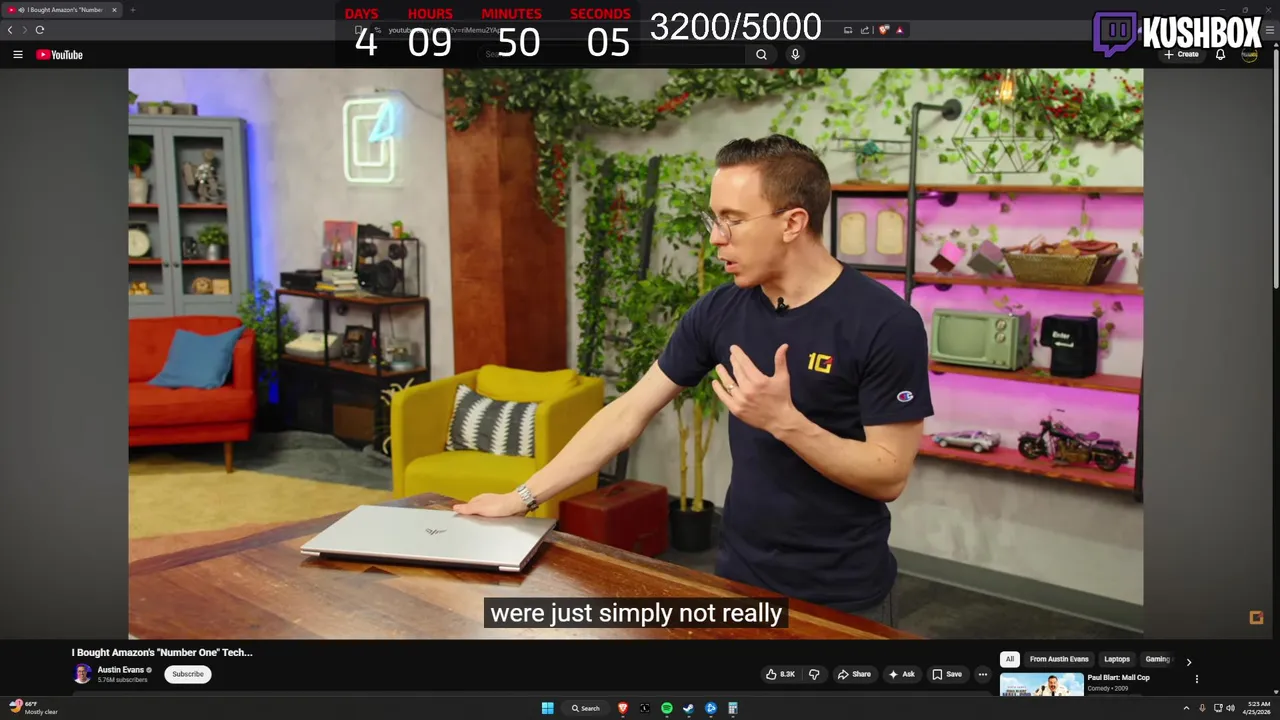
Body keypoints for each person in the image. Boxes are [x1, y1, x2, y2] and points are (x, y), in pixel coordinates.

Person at [455, 134, 933, 625]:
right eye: (714, 219)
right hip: (739, 578)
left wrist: (785, 422)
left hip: (843, 595)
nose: (716, 238)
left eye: (733, 220)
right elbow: (627, 412)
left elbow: (889, 475)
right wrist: (521, 497)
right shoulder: (719, 310)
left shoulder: (885, 323)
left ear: (793, 222)